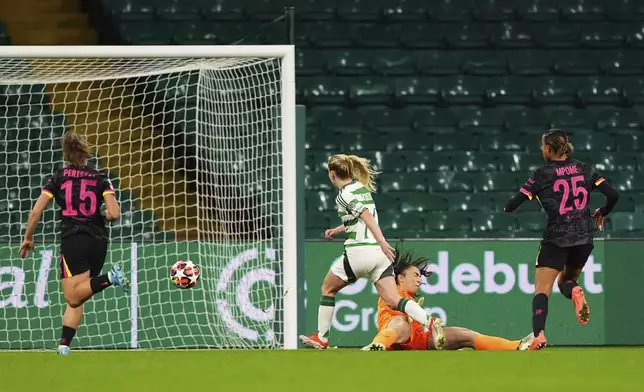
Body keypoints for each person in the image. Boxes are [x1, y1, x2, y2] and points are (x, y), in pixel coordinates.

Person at [299, 154, 445, 350]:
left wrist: (383, 241)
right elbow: (360, 218)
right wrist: (338, 229)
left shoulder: (343, 194)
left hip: (360, 251)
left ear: (333, 175)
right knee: (394, 300)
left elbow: (366, 216)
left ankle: (322, 338)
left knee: (328, 289)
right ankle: (431, 321)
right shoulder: (362, 189)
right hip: (378, 255)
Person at [504, 129, 619, 350]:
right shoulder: (584, 168)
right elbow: (613, 195)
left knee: (542, 289)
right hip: (584, 235)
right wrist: (602, 212)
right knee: (565, 281)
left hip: (557, 236)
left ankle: (539, 336)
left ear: (548, 148)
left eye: (542, 146)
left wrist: (509, 208)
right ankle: (574, 290)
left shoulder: (543, 173)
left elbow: (514, 202)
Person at [19, 132, 130, 355]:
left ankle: (110, 278)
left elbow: (36, 211)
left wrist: (28, 237)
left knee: (72, 294)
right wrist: (105, 216)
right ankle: (63, 346)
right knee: (78, 295)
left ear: (66, 153)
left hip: (73, 239)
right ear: (86, 152)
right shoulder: (100, 178)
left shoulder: (59, 177)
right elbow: (115, 213)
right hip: (99, 241)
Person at [362, 247, 535, 351]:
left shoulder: (410, 297)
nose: (419, 280)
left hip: (419, 340)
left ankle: (516, 346)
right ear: (400, 277)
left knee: (465, 335)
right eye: (415, 275)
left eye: (420, 276)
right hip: (397, 339)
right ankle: (377, 345)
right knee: (400, 323)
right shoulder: (392, 291)